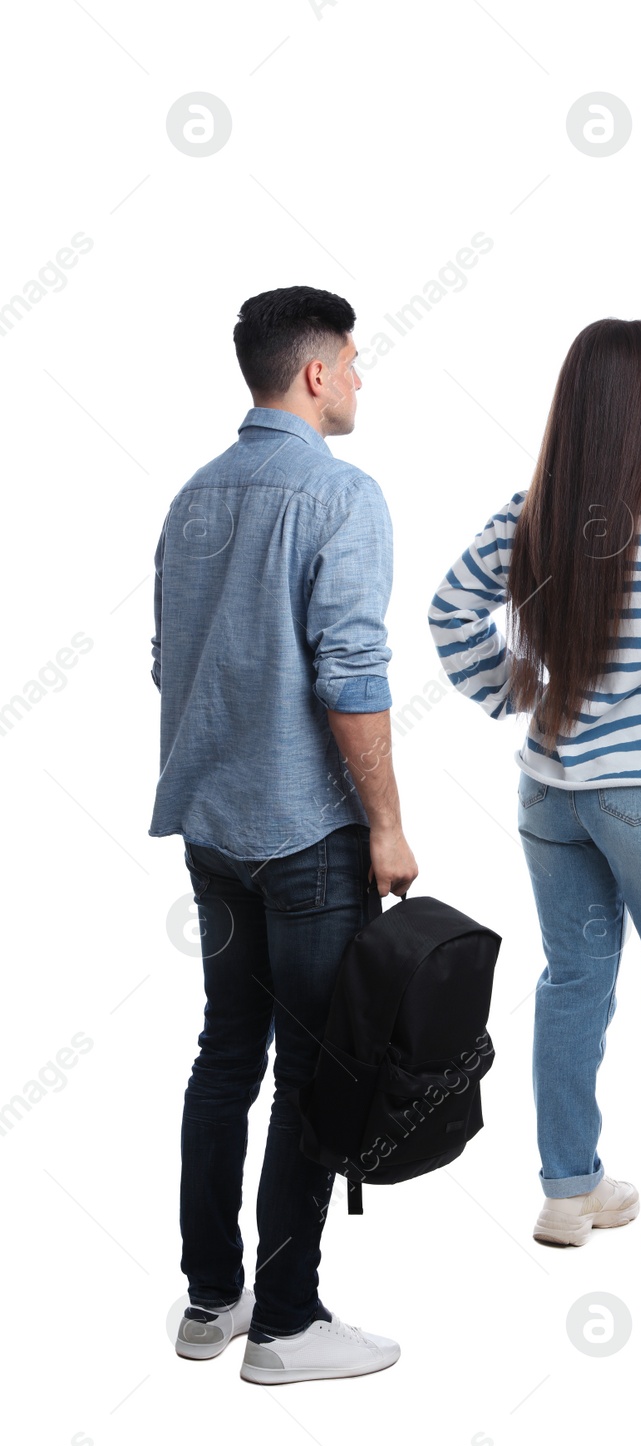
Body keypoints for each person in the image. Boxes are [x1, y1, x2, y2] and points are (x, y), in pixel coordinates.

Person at [430, 318, 641, 1262]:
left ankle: (569, 1191)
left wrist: (515, 689)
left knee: (573, 981)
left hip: (551, 794)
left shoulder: (529, 511)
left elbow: (448, 609)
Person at [152, 286, 416, 1383]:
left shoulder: (194, 497)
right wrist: (389, 825)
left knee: (226, 1055)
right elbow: (350, 674)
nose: (359, 377)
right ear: (313, 372)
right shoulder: (341, 495)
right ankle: (288, 1322)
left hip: (212, 829)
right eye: (352, 360)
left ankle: (213, 1298)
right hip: (307, 835)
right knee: (310, 1069)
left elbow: (171, 662)